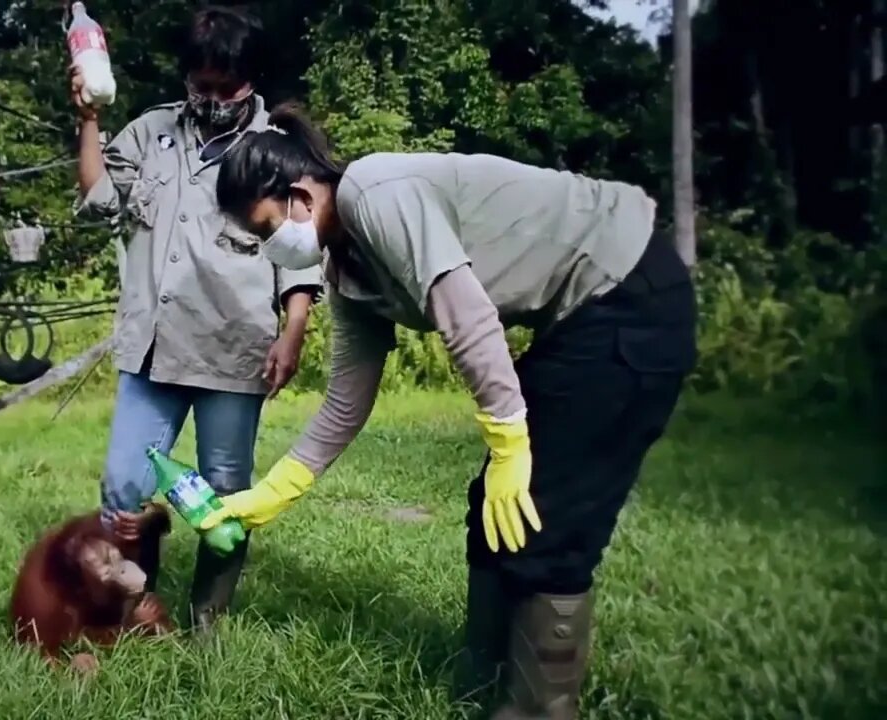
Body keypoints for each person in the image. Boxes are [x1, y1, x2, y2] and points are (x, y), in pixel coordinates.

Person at [200, 104, 697, 719]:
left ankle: (538, 708)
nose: (269, 247)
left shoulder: (374, 191)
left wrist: (510, 444)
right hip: (581, 318)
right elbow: (344, 403)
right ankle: (479, 683)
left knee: (547, 515)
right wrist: (272, 493)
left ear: (300, 195)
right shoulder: (348, 267)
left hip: (630, 293)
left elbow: (465, 314)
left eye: (265, 227)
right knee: (493, 503)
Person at [70, 8, 322, 631]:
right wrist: (89, 120)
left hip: (234, 349)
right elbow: (101, 199)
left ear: (250, 78)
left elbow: (299, 256)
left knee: (225, 497)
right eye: (200, 85)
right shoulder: (152, 132)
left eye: (225, 87)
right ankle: (127, 606)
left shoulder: (276, 149)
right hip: (152, 348)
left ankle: (208, 619)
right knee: (123, 487)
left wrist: (294, 330)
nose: (211, 100)